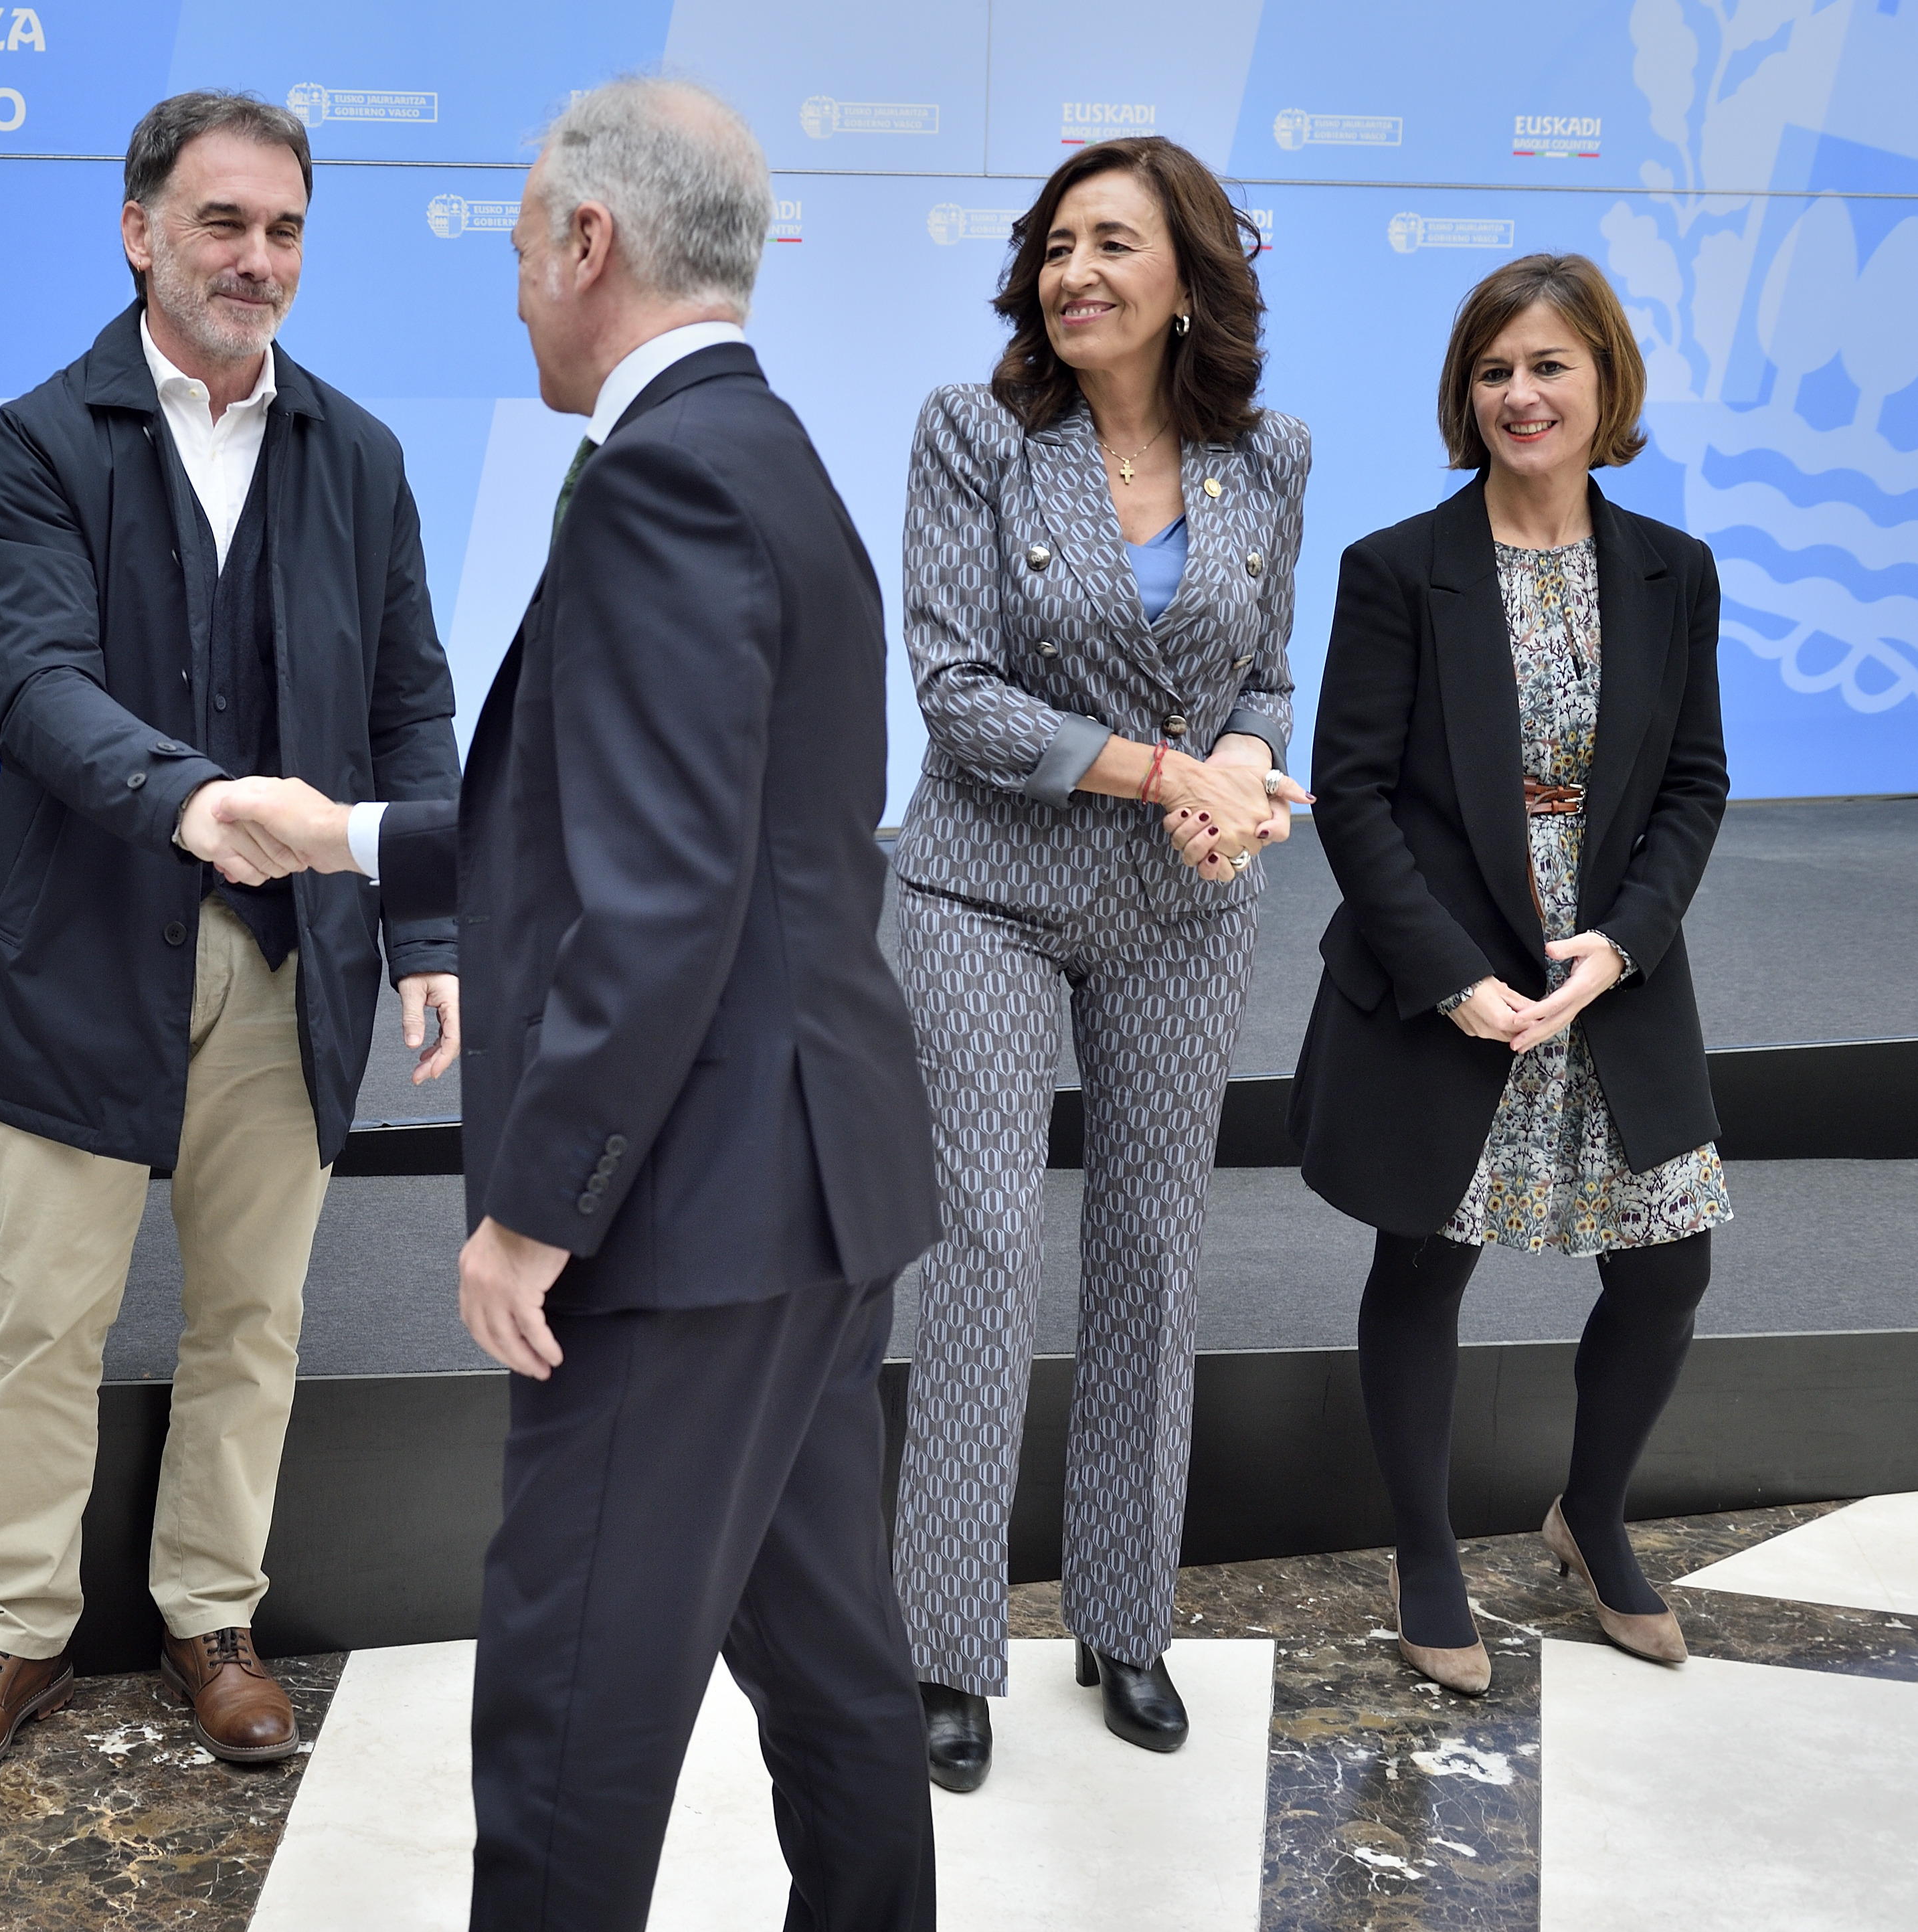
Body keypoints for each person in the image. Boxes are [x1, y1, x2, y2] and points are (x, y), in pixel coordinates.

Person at [217, 77, 940, 1932]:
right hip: (811, 1195)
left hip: (681, 1225)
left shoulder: (659, 481)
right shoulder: (763, 451)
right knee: (835, 1678)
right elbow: (659, 823)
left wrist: (537, 1210)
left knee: (565, 1727)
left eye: (523, 244)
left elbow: (664, 895)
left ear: (589, 242)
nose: (517, 284)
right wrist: (349, 834)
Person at [0, 91, 462, 1787]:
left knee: (253, 1317)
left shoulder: (359, 455)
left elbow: (411, 709)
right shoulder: (40, 440)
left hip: (295, 963)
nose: (255, 259)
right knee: (43, 1316)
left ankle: (212, 1618)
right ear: (138, 232)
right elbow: (37, 687)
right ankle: (14, 1630)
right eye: (222, 223)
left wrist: (428, 927)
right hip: (83, 948)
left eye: (283, 230)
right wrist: (193, 799)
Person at [885, 135, 1311, 1791]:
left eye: (1112, 243)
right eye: (1057, 244)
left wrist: (1243, 778)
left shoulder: (1268, 454)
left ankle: (1127, 1618)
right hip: (982, 889)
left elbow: (1264, 674)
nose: (1073, 272)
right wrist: (1171, 773)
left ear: (1188, 278)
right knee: (985, 1243)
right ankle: (945, 1645)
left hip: (1182, 903)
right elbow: (957, 695)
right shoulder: (973, 432)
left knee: (1152, 1247)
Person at [1292, 254, 1729, 1695]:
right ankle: (1425, 1556)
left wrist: (1626, 940)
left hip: (1610, 971)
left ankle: (1589, 1515)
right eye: (1493, 371)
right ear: (1464, 394)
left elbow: (1694, 782)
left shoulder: (1674, 570)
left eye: (1548, 366)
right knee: (1424, 1262)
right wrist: (1450, 980)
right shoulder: (1396, 569)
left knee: (1669, 1265)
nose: (1520, 395)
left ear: (1606, 382)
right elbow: (1355, 796)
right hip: (1450, 969)